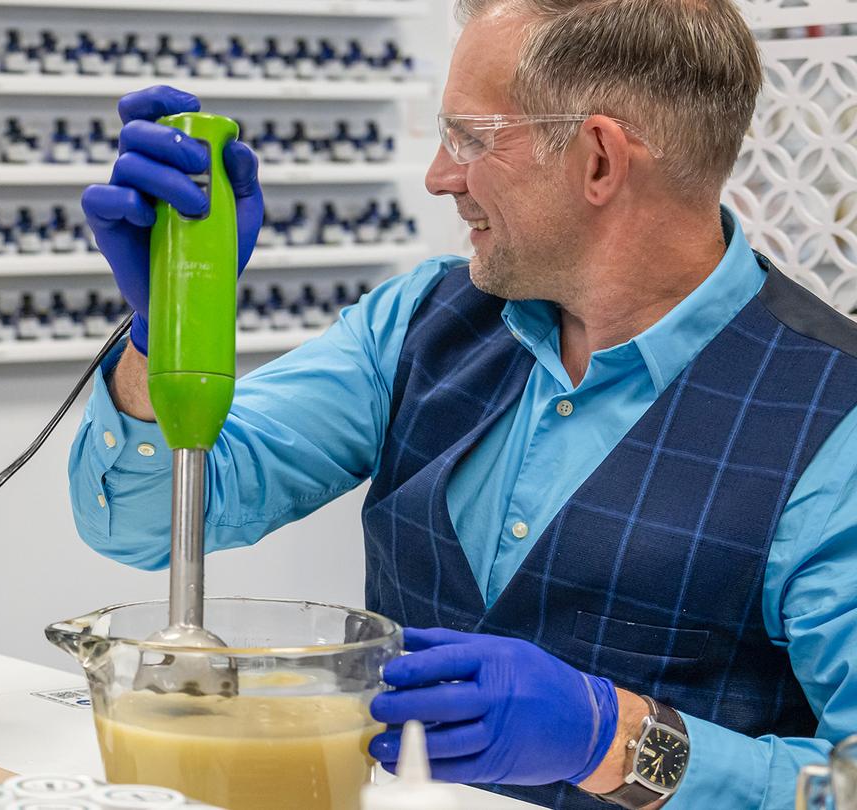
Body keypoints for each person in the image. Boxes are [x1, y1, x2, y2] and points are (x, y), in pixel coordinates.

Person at [68, 0, 856, 807]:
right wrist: (169, 327)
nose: (440, 177)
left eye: (471, 140)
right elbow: (138, 519)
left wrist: (618, 740)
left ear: (597, 159)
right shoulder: (417, 323)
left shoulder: (839, 422)